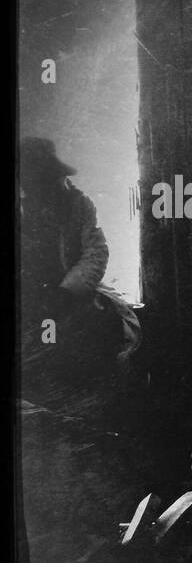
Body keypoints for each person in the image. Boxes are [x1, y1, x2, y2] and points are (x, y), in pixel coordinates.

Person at [19, 137, 139, 384]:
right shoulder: (22, 208)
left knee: (99, 333)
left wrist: (66, 293)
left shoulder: (79, 205)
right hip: (29, 299)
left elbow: (95, 253)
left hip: (71, 294)